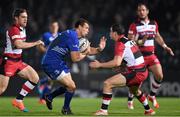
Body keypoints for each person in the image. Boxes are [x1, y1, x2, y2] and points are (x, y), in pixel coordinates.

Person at [42, 18, 106, 114]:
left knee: (69, 86)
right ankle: (65, 109)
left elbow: (87, 51)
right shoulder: (72, 37)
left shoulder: (74, 36)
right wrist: (85, 52)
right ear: (79, 27)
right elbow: (75, 58)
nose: (88, 30)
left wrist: (99, 49)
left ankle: (50, 97)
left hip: (59, 62)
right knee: (71, 86)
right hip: (52, 63)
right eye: (86, 28)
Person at [89, 24, 155, 116]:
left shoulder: (120, 43)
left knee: (107, 84)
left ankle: (103, 110)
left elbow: (116, 62)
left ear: (115, 33)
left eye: (111, 31)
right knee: (135, 90)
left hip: (136, 72)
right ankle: (148, 110)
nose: (110, 33)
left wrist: (99, 65)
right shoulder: (128, 41)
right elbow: (132, 56)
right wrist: (122, 65)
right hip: (143, 70)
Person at [127, 3, 174, 109]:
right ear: (137, 12)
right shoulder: (134, 25)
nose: (141, 12)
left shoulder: (154, 23)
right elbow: (130, 41)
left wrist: (165, 46)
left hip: (151, 56)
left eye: (143, 10)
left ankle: (152, 96)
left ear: (147, 11)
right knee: (137, 82)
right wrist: (140, 41)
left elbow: (157, 36)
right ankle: (130, 99)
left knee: (160, 75)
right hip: (139, 57)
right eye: (139, 10)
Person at [0, 8, 44, 112]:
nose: (26, 19)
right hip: (8, 62)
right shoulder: (14, 29)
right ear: (16, 18)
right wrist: (35, 43)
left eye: (26, 17)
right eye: (23, 17)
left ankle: (18, 100)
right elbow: (18, 44)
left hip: (17, 61)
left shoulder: (22, 29)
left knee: (34, 78)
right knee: (1, 89)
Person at [37, 19, 76, 115]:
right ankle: (45, 96)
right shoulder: (46, 35)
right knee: (68, 85)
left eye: (56, 26)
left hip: (60, 62)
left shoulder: (60, 35)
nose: (54, 27)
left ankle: (48, 97)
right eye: (53, 26)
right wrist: (48, 51)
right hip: (50, 62)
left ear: (58, 27)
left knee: (68, 86)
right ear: (50, 27)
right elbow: (39, 46)